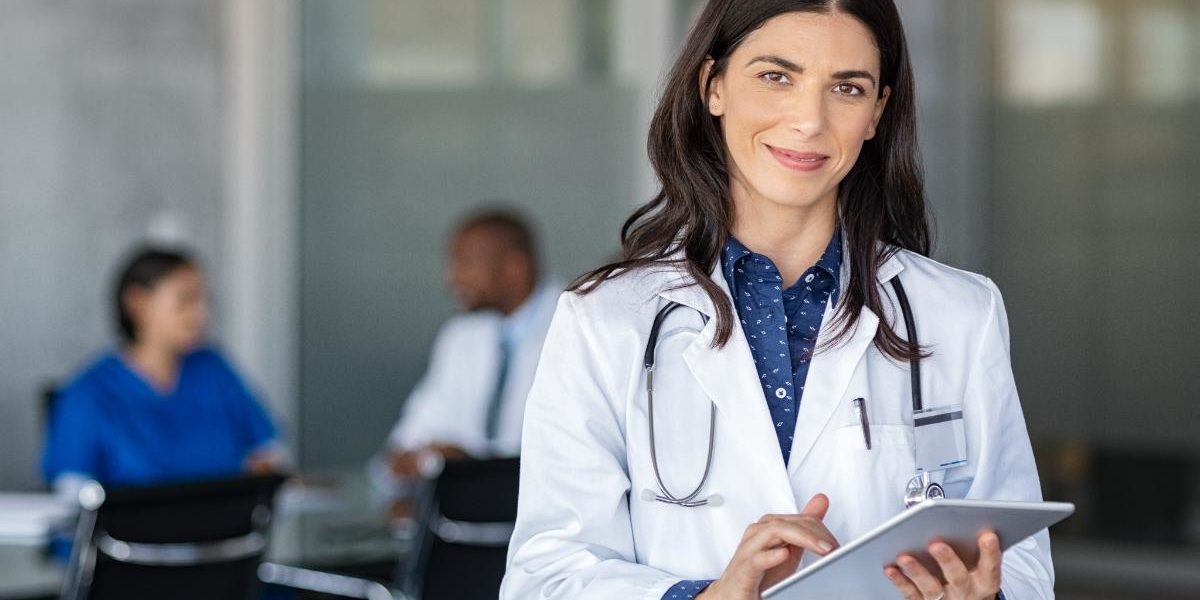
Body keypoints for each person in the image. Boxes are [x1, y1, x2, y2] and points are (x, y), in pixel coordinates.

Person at [501, 2, 1051, 600]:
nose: (809, 120)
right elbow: (545, 577)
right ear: (713, 86)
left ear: (876, 112)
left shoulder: (961, 314)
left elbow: (1020, 567)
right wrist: (706, 597)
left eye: (847, 87)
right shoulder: (605, 319)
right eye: (776, 76)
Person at [42, 247, 285, 497]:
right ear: (138, 303)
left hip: (226, 532)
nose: (201, 314)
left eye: (204, 301)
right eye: (185, 300)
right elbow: (73, 497)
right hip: (133, 536)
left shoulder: (213, 371)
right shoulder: (87, 394)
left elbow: (266, 450)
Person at [375, 209, 560, 484]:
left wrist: (471, 465)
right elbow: (405, 444)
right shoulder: (461, 337)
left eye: (466, 264)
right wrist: (420, 458)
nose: (452, 279)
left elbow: (563, 457)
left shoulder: (576, 329)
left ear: (514, 267)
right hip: (461, 518)